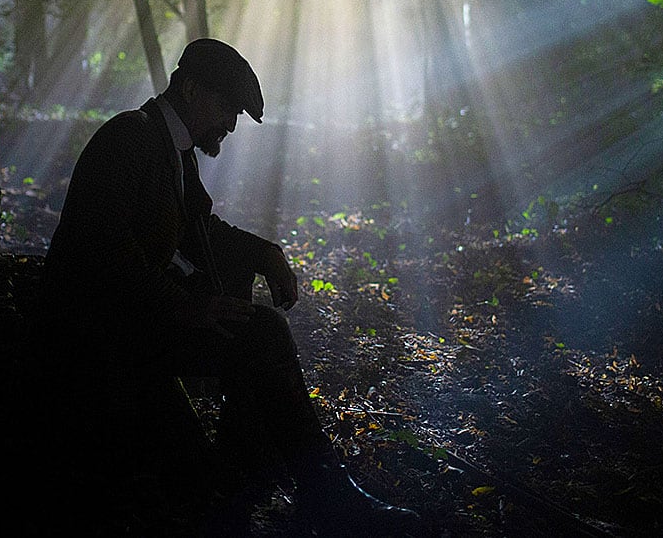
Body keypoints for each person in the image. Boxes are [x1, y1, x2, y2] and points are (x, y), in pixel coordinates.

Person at [34, 38, 421, 535]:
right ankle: (319, 493)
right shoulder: (130, 139)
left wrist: (264, 253)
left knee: (247, 317)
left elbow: (200, 231)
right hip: (92, 338)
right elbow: (104, 247)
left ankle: (260, 473)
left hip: (125, 327)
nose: (232, 125)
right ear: (192, 91)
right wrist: (182, 307)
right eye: (227, 108)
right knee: (260, 334)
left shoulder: (171, 149)